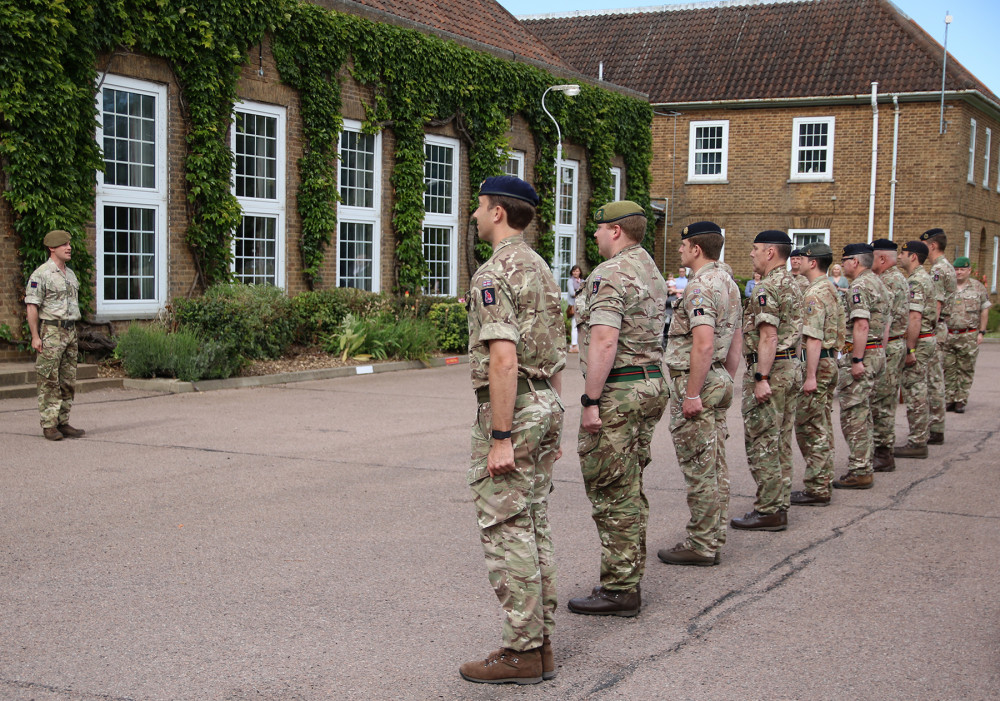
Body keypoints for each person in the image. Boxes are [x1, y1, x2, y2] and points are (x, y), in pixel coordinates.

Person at [460, 176, 566, 686]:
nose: (474, 215)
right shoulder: (542, 269)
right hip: (545, 400)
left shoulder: (493, 272)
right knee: (533, 521)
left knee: (506, 527)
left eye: (479, 207)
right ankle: (540, 643)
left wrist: (501, 436)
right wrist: (555, 419)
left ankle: (521, 649)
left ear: (498, 212)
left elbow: (503, 357)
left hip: (514, 409)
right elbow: (555, 348)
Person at [567, 201, 668, 617]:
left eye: (599, 228)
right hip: (650, 384)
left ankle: (621, 587)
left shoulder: (609, 274)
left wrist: (590, 401)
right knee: (628, 483)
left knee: (611, 487)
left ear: (616, 231)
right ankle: (627, 574)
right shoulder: (651, 269)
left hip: (620, 390)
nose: (593, 235)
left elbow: (604, 341)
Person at [657, 221, 742, 565]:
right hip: (717, 376)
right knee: (716, 465)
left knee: (700, 468)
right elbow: (735, 340)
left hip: (698, 381)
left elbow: (703, 344)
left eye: (684, 244)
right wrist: (726, 378)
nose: (680, 249)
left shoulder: (699, 286)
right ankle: (712, 535)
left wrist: (693, 393)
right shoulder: (730, 283)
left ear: (696, 249)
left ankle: (702, 544)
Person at [732, 230, 802, 532]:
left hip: (772, 370)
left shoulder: (768, 287)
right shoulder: (794, 283)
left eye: (755, 248)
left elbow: (768, 335)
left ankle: (769, 510)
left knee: (762, 442)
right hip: (789, 368)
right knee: (781, 440)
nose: (751, 254)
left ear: (770, 252)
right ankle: (779, 502)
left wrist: (761, 376)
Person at [790, 243, 845, 506]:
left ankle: (817, 487)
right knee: (821, 424)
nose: (796, 260)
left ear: (813, 263)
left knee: (810, 427)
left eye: (802, 257)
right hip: (829, 360)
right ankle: (822, 480)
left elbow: (813, 338)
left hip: (818, 362)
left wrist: (809, 376)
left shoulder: (814, 293)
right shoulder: (830, 288)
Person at [25, 229, 85, 441]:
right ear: (52, 248)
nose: (69, 247)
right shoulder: (41, 275)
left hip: (70, 331)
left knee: (68, 379)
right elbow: (32, 306)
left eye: (69, 244)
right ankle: (49, 425)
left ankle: (63, 421)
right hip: (51, 331)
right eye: (63, 244)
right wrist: (35, 336)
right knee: (49, 379)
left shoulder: (70, 274)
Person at [894, 241, 936, 459]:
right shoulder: (918, 278)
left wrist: (910, 349)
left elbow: (915, 317)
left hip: (919, 342)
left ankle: (918, 441)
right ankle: (920, 436)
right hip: (925, 339)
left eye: (903, 253)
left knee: (915, 391)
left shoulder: (917, 281)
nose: (900, 256)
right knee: (918, 390)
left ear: (913, 257)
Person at [870, 239, 909, 472]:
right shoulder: (896, 279)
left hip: (888, 345)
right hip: (895, 344)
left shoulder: (888, 281)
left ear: (882, 259)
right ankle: (882, 450)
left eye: (871, 256)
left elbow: (885, 320)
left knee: (882, 400)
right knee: (884, 398)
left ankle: (883, 453)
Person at [920, 228, 956, 445]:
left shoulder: (938, 270)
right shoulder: (946, 267)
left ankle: (935, 427)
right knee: (935, 378)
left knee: (932, 379)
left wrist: (927, 329)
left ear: (932, 245)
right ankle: (935, 426)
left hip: (935, 327)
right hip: (941, 327)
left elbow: (936, 304)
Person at [943, 257, 991, 413]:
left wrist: (981, 332)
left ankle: (960, 400)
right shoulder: (947, 288)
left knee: (966, 369)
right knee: (948, 368)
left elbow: (984, 309)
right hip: (949, 334)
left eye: (962, 269)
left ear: (969, 270)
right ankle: (949, 399)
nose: (959, 272)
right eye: (956, 270)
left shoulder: (977, 288)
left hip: (968, 334)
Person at [567, 265, 583, 353]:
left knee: (581, 327)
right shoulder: (570, 281)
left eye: (577, 271)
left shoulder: (583, 281)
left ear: (580, 272)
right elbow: (572, 293)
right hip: (573, 306)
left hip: (581, 306)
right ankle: (573, 345)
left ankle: (577, 344)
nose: (575, 273)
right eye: (574, 271)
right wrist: (581, 291)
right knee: (574, 325)